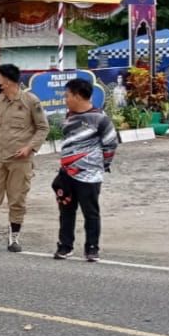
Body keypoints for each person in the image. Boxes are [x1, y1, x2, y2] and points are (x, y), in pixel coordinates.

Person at [0, 64, 49, 252]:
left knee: (17, 199)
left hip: (20, 160)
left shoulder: (30, 101)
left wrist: (29, 147)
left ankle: (13, 238)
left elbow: (43, 128)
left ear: (7, 81)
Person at [52, 78, 118, 262]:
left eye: (67, 96)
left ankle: (91, 248)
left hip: (89, 175)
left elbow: (111, 144)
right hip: (67, 173)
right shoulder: (69, 116)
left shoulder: (100, 119)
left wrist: (99, 166)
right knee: (66, 210)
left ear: (78, 95)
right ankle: (65, 246)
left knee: (90, 213)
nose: (65, 99)